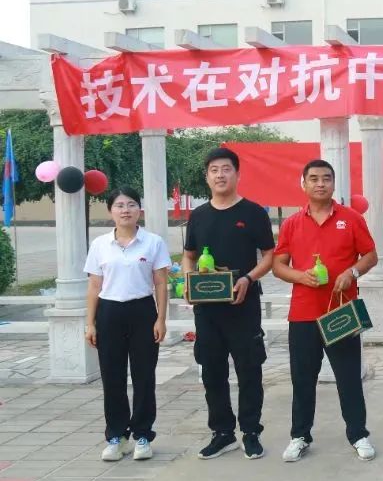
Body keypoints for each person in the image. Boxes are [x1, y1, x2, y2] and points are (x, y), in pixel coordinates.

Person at [272, 159, 379, 461]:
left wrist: (352, 273)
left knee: (348, 377)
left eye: (326, 178)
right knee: (303, 379)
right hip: (303, 314)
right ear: (303, 184)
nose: (320, 184)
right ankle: (299, 435)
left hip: (341, 313)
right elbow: (278, 265)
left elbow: (370, 255)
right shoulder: (292, 223)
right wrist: (300, 276)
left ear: (333, 183)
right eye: (314, 178)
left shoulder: (351, 218)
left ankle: (358, 434)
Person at [183, 148, 276, 461]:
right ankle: (222, 433)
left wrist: (248, 278)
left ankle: (250, 432)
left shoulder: (253, 213)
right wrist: (188, 281)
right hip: (207, 310)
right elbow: (189, 256)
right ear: (207, 176)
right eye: (214, 170)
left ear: (237, 174)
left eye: (226, 169)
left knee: (249, 369)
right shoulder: (198, 216)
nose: (220, 175)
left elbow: (270, 256)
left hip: (243, 306)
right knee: (212, 371)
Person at [84, 187, 171, 462]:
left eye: (131, 204)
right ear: (111, 211)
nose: (126, 210)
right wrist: (90, 323)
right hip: (109, 312)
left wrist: (160, 318)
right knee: (113, 377)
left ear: (139, 210)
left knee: (144, 376)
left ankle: (143, 435)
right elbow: (94, 286)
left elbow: (160, 283)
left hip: (142, 311)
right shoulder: (100, 244)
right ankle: (116, 437)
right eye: (119, 205)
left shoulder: (153, 242)